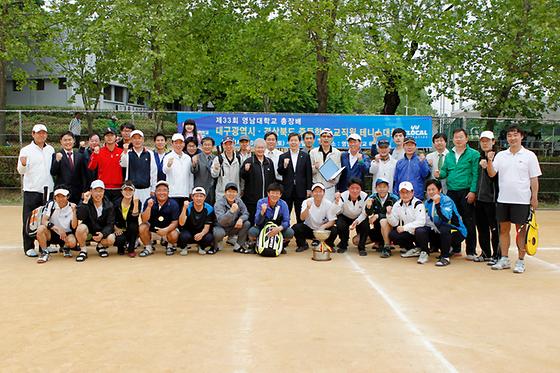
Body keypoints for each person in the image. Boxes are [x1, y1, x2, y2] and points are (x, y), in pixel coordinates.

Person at [486, 125, 541, 274]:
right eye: (509, 135)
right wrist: (489, 161)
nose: (512, 138)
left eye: (515, 135)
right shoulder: (501, 155)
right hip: (503, 199)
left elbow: (534, 178)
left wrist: (534, 197)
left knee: (520, 231)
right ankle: (504, 259)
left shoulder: (530, 156)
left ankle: (521, 261)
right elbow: (491, 174)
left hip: (522, 200)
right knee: (504, 230)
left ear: (521, 137)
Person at [434, 128, 480, 259]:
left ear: (466, 139)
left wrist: (472, 191)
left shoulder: (474, 154)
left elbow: (476, 174)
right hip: (451, 192)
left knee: (468, 220)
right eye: (456, 137)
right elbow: (444, 172)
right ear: (453, 139)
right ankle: (456, 248)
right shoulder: (449, 155)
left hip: (466, 192)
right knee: (453, 220)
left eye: (461, 137)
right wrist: (439, 174)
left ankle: (471, 251)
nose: (458, 140)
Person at [17, 124, 55, 257]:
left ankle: (45, 245)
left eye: (44, 133)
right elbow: (20, 171)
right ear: (33, 134)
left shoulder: (50, 149)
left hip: (48, 190)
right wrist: (22, 164)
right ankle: (28, 246)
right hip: (32, 190)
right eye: (39, 133)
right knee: (29, 219)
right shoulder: (26, 150)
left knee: (47, 218)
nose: (41, 135)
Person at [416, 179, 467, 266]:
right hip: (438, 230)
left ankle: (445, 257)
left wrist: (438, 204)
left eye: (433, 189)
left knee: (444, 227)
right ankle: (425, 252)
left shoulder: (447, 200)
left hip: (457, 231)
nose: (431, 192)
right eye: (429, 190)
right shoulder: (427, 203)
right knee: (420, 230)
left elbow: (446, 219)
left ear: (439, 190)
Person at [355, 178, 399, 258]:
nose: (382, 189)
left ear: (388, 188)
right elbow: (368, 214)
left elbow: (397, 215)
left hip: (390, 228)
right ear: (375, 188)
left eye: (384, 187)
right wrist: (368, 207)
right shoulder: (372, 197)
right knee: (356, 241)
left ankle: (387, 246)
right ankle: (379, 242)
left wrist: (378, 215)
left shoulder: (394, 198)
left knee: (383, 221)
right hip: (377, 229)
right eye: (379, 187)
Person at [75, 180, 116, 262]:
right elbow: (80, 216)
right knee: (80, 228)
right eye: (95, 191)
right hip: (89, 230)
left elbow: (110, 224)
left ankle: (100, 246)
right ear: (90, 191)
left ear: (104, 191)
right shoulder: (85, 201)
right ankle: (83, 250)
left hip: (102, 232)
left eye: (100, 191)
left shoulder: (109, 205)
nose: (98, 194)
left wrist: (102, 234)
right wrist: (85, 202)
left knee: (111, 238)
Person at [475, 131, 500, 264]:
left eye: (487, 140)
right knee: (482, 228)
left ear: (493, 141)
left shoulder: (499, 157)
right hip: (480, 199)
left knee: (495, 228)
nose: (485, 143)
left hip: (493, 199)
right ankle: (485, 253)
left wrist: (488, 164)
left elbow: (496, 177)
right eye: (482, 141)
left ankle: (497, 254)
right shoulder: (479, 157)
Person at [247, 183, 294, 254]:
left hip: (277, 227)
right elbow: (257, 221)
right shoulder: (261, 202)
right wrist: (262, 212)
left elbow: (286, 221)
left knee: (290, 232)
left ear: (280, 195)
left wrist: (278, 229)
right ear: (268, 193)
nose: (274, 195)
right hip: (262, 227)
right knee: (252, 232)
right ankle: (256, 245)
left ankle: (281, 246)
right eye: (272, 193)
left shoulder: (283, 204)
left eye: (277, 193)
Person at [35, 187, 78, 263]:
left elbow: (74, 226)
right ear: (55, 197)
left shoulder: (72, 207)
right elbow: (44, 221)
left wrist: (74, 212)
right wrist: (57, 228)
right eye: (58, 196)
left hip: (66, 235)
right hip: (52, 232)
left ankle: (65, 248)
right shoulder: (51, 204)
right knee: (40, 229)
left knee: (72, 242)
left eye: (63, 196)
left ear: (67, 197)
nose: (60, 199)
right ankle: (44, 252)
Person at [138, 180, 180, 257]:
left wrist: (166, 230)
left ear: (168, 192)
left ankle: (170, 246)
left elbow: (175, 222)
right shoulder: (149, 201)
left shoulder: (173, 204)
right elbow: (144, 219)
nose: (162, 193)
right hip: (153, 231)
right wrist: (149, 207)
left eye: (164, 190)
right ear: (155, 192)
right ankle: (148, 248)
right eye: (159, 190)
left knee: (174, 234)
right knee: (142, 227)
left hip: (167, 232)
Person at [277, 132, 312, 223]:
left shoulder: (305, 156)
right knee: (285, 213)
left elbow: (308, 173)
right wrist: (284, 166)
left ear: (299, 142)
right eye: (291, 140)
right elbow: (280, 172)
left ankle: (300, 234)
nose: (293, 142)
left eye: (295, 140)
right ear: (288, 142)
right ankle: (285, 233)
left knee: (300, 212)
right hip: (287, 189)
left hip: (301, 189)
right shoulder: (283, 156)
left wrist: (309, 189)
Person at [240, 138, 276, 225]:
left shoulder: (269, 162)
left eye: (262, 148)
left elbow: (272, 179)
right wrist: (245, 170)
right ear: (254, 149)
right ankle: (250, 237)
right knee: (251, 219)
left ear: (265, 148)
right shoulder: (249, 161)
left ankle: (264, 236)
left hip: (266, 198)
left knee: (266, 219)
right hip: (251, 199)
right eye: (258, 148)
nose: (260, 150)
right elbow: (242, 176)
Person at [293, 183, 337, 253]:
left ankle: (329, 245)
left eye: (320, 191)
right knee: (296, 228)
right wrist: (307, 208)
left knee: (334, 230)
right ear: (312, 193)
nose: (318, 193)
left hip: (322, 230)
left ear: (324, 193)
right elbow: (302, 218)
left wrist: (323, 226)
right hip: (310, 229)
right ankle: (302, 245)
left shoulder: (328, 203)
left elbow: (332, 221)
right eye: (315, 191)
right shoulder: (306, 202)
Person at [386, 181, 426, 258]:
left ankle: (424, 250)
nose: (405, 195)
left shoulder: (418, 204)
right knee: (393, 235)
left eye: (407, 192)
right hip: (408, 231)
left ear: (412, 192)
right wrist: (389, 214)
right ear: (399, 193)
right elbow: (394, 223)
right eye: (402, 192)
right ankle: (412, 249)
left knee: (420, 231)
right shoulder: (397, 204)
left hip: (420, 231)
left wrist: (404, 228)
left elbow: (421, 222)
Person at [333, 178, 369, 255]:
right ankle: (343, 244)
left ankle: (361, 247)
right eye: (352, 188)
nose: (355, 191)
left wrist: (357, 221)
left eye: (357, 188)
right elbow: (337, 212)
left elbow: (364, 213)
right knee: (340, 223)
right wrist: (336, 202)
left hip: (359, 216)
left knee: (365, 224)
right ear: (348, 188)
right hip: (345, 215)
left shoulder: (365, 196)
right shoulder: (342, 196)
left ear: (361, 189)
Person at [119, 130, 157, 204]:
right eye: (134, 138)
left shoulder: (149, 153)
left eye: (139, 138)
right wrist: (125, 151)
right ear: (131, 140)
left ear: (143, 139)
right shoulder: (128, 152)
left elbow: (153, 172)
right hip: (131, 190)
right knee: (133, 212)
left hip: (146, 189)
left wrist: (153, 189)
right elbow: (123, 164)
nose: (137, 141)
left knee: (145, 211)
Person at [88, 127, 124, 203]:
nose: (109, 137)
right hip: (103, 187)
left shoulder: (121, 152)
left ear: (116, 137)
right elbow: (91, 167)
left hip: (118, 187)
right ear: (104, 138)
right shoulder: (99, 151)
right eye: (107, 136)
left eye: (112, 135)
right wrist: (95, 155)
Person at [50, 131, 87, 204]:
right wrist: (57, 161)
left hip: (77, 192)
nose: (68, 142)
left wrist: (84, 190)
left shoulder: (79, 155)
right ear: (61, 142)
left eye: (70, 140)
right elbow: (53, 172)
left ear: (74, 141)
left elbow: (83, 175)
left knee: (76, 214)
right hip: (62, 193)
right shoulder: (57, 155)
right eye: (65, 140)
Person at [213, 182, 251, 253]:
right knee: (218, 234)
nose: (231, 194)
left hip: (233, 227)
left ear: (237, 193)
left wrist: (241, 219)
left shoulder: (239, 201)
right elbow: (221, 221)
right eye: (229, 191)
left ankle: (238, 246)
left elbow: (246, 213)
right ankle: (218, 242)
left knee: (246, 223)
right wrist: (231, 212)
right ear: (225, 193)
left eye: (234, 192)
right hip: (221, 227)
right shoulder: (219, 203)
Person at [177, 187, 216, 255]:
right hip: (188, 232)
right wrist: (184, 208)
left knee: (209, 237)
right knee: (183, 236)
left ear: (205, 197)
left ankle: (201, 247)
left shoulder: (209, 208)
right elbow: (181, 223)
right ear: (192, 197)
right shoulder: (188, 206)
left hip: (201, 232)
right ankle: (184, 247)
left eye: (201, 196)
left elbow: (207, 226)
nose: (199, 198)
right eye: (196, 196)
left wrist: (202, 234)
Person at [309, 128, 342, 200]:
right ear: (320, 138)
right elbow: (308, 171)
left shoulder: (337, 153)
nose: (326, 138)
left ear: (332, 139)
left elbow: (339, 170)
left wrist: (335, 179)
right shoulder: (313, 152)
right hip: (316, 186)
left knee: (329, 209)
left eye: (328, 136)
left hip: (330, 187)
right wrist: (315, 167)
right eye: (324, 136)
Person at [163, 133, 194, 207]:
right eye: (176, 143)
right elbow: (165, 171)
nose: (178, 145)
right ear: (172, 144)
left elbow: (190, 175)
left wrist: (190, 190)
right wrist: (168, 165)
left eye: (180, 143)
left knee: (183, 215)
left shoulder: (188, 158)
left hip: (185, 193)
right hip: (172, 193)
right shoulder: (168, 156)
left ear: (184, 144)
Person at [113, 181, 141, 257]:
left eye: (130, 190)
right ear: (122, 192)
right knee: (120, 240)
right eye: (125, 190)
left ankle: (131, 249)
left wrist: (135, 204)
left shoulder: (137, 202)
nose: (128, 192)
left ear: (134, 191)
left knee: (134, 226)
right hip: (120, 228)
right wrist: (116, 228)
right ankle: (121, 247)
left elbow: (135, 218)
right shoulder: (116, 203)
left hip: (131, 229)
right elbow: (112, 218)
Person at [212, 136, 242, 202]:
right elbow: (214, 175)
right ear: (223, 145)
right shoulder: (218, 159)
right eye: (226, 144)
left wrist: (242, 189)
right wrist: (216, 169)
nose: (228, 146)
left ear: (234, 144)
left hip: (235, 193)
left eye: (230, 144)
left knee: (235, 211)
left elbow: (242, 176)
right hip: (221, 193)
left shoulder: (239, 158)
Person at [192, 136, 216, 205]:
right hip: (199, 188)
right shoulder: (196, 157)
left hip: (212, 189)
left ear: (213, 147)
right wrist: (194, 164)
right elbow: (193, 171)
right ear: (201, 146)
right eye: (205, 145)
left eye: (209, 145)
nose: (207, 147)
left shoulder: (216, 158)